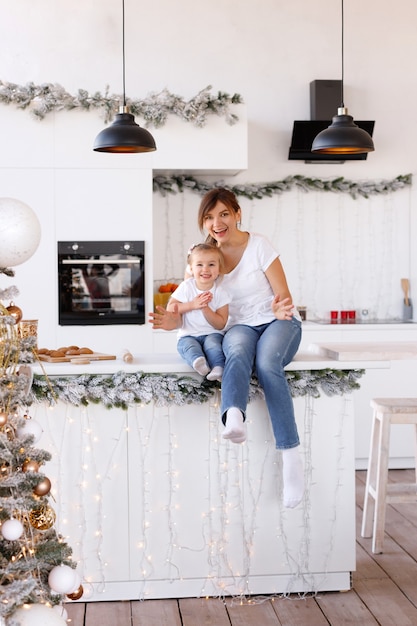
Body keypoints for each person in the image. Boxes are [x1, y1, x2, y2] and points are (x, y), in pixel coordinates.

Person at [149, 188, 303, 508]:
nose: (216, 222)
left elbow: (283, 296)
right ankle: (233, 416)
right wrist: (171, 322)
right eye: (209, 217)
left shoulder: (259, 246)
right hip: (238, 327)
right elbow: (189, 306)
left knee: (267, 363)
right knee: (235, 352)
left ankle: (291, 458)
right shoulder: (202, 256)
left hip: (278, 322)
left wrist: (279, 309)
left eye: (223, 214)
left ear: (237, 214)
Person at [167, 243, 230, 381]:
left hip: (212, 333)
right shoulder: (186, 287)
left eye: (211, 264)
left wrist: (204, 308)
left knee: (214, 345)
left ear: (219, 269)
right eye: (199, 265)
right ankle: (198, 362)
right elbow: (171, 308)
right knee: (188, 346)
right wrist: (192, 304)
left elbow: (220, 324)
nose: (205, 269)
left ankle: (218, 367)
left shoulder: (221, 292)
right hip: (188, 334)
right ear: (191, 268)